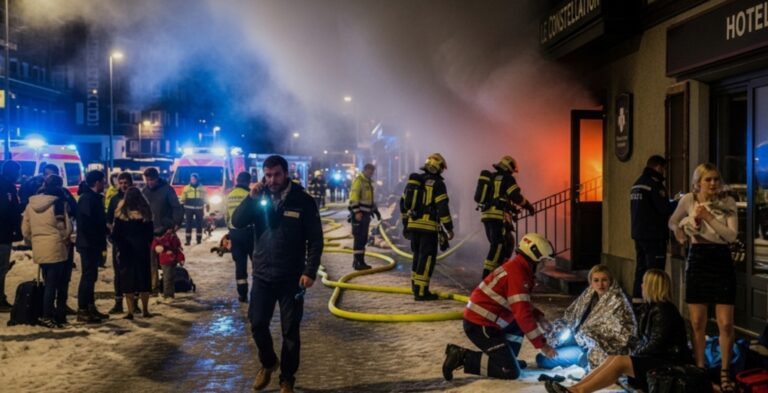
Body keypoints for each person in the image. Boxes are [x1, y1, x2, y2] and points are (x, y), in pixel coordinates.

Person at [232, 155, 323, 393]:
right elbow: (237, 221)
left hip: (292, 277)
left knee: (290, 331)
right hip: (263, 274)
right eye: (268, 175)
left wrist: (310, 271)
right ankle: (268, 363)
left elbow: (315, 239)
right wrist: (250, 199)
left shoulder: (303, 200)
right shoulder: (258, 197)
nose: (272, 180)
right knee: (257, 323)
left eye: (277, 175)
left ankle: (287, 379)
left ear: (286, 173)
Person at [545, 269, 693, 393]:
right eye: (596, 280)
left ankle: (578, 391)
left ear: (652, 286)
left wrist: (633, 355)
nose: (641, 286)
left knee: (620, 361)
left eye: (644, 283)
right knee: (614, 358)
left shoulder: (663, 311)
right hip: (658, 358)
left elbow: (656, 344)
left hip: (669, 363)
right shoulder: (652, 308)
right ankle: (574, 388)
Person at [442, 233, 557, 381]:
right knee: (511, 372)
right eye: (543, 261)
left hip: (488, 322)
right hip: (480, 325)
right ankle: (462, 357)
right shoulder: (517, 274)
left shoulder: (518, 269)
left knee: (517, 327)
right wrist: (543, 346)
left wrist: (539, 317)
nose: (544, 265)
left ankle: (508, 360)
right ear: (534, 258)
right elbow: (522, 315)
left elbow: (520, 304)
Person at [668, 162, 738, 392]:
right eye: (708, 179)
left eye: (716, 179)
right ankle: (700, 371)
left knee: (725, 323)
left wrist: (707, 217)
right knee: (698, 322)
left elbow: (731, 236)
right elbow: (672, 220)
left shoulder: (728, 201)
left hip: (721, 260)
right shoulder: (689, 200)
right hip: (698, 259)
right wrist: (679, 232)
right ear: (697, 182)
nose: (713, 183)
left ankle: (725, 372)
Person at [537, 265, 636, 370]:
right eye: (596, 280)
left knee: (586, 362)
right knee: (542, 359)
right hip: (580, 345)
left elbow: (622, 336)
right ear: (591, 282)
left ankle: (585, 361)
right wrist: (556, 335)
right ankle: (582, 359)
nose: (600, 284)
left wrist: (590, 337)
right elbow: (570, 318)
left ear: (610, 281)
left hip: (602, 351)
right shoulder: (588, 296)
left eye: (604, 280)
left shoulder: (618, 302)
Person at [21, 175, 74, 328]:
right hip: (56, 247)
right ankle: (50, 315)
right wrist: (65, 238)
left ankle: (48, 314)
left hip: (40, 247)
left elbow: (25, 230)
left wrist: (33, 241)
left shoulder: (30, 205)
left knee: (47, 282)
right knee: (56, 284)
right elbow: (65, 228)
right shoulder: (58, 203)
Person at [401, 153, 454, 300]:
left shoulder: (415, 181)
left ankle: (415, 287)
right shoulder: (438, 184)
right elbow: (442, 208)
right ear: (438, 167)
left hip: (413, 225)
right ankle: (422, 292)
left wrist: (406, 224)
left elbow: (403, 204)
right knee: (427, 258)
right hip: (428, 227)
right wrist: (449, 228)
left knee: (417, 256)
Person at [478, 156, 535, 278]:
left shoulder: (492, 177)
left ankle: (501, 272)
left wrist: (512, 209)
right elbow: (515, 196)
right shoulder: (508, 178)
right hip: (498, 217)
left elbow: (499, 198)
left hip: (488, 215)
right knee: (498, 246)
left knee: (508, 242)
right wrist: (528, 206)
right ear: (509, 168)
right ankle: (487, 277)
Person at [630, 155, 676, 301]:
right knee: (655, 271)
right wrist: (679, 202)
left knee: (641, 269)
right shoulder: (654, 185)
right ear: (658, 167)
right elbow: (664, 208)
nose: (664, 172)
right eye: (663, 168)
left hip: (639, 234)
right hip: (654, 235)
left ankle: (638, 300)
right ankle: (654, 301)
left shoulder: (637, 184)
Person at [112, 187, 155, 319]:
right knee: (144, 278)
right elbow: (150, 234)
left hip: (126, 250)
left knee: (128, 279)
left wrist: (119, 246)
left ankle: (130, 311)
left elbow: (116, 235)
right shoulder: (146, 214)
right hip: (142, 249)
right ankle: (145, 310)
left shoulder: (121, 214)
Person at [142, 167, 183, 295]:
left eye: (152, 180)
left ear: (157, 178)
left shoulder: (167, 190)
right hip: (149, 232)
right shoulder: (144, 191)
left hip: (166, 231)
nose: (150, 182)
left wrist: (176, 223)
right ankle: (153, 289)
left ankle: (168, 293)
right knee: (151, 264)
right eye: (148, 180)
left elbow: (176, 207)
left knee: (167, 264)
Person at [75, 170, 108, 323]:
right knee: (88, 276)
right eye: (103, 181)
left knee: (92, 276)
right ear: (97, 182)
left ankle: (90, 306)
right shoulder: (88, 199)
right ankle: (82, 309)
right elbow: (87, 223)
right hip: (88, 243)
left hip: (92, 242)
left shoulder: (93, 198)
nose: (104, 184)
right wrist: (100, 232)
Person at [106, 172, 133, 314]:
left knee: (133, 271)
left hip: (133, 240)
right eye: (121, 183)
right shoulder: (114, 199)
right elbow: (109, 218)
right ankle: (118, 303)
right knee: (118, 272)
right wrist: (111, 231)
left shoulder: (136, 198)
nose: (123, 185)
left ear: (130, 183)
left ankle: (134, 303)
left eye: (125, 182)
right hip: (119, 241)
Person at [225, 171, 253, 303]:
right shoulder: (250, 195)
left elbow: (226, 216)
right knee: (257, 263)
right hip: (250, 233)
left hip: (235, 234)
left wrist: (230, 231)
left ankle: (242, 294)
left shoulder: (229, 195)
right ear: (248, 182)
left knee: (240, 265)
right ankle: (258, 291)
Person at [349, 163, 381, 271]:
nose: (371, 174)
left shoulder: (368, 182)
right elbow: (354, 198)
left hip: (365, 214)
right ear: (365, 170)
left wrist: (375, 210)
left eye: (372, 172)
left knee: (363, 238)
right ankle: (358, 262)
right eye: (370, 171)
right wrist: (357, 212)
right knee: (359, 238)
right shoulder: (359, 181)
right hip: (360, 215)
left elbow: (369, 199)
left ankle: (360, 261)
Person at [0, 160, 22, 312]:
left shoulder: (7, 186)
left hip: (4, 233)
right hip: (3, 234)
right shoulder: (6, 187)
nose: (19, 175)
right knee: (1, 268)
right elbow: (7, 210)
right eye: (17, 172)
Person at [180, 173, 207, 245]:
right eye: (192, 179)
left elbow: (205, 196)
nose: (193, 180)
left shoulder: (202, 188)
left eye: (194, 179)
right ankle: (188, 240)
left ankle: (199, 239)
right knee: (188, 225)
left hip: (199, 208)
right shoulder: (186, 188)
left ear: (197, 179)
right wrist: (181, 204)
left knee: (199, 225)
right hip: (188, 208)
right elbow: (183, 197)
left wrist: (206, 203)